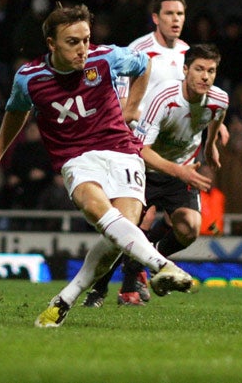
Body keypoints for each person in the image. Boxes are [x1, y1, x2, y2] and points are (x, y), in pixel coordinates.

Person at [0, 3, 196, 328]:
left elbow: (143, 64)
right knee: (99, 211)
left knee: (120, 234)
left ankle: (65, 299)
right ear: (52, 44)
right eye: (73, 42)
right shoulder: (30, 77)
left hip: (122, 152)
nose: (83, 49)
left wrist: (131, 106)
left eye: (85, 39)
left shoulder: (106, 57)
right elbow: (16, 110)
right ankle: (162, 265)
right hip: (77, 159)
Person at [84, 44, 228, 307]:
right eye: (199, 69)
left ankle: (143, 260)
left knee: (189, 228)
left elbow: (216, 119)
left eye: (211, 71)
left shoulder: (219, 99)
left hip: (181, 170)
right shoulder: (164, 97)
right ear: (185, 70)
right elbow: (141, 149)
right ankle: (98, 290)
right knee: (124, 231)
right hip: (146, 168)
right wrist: (180, 171)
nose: (205, 76)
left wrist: (210, 148)